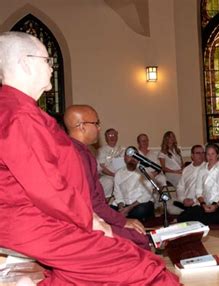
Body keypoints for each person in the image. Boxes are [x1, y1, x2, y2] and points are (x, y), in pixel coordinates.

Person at [0, 31, 178, 285]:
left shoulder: (26, 111)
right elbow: (46, 186)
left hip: (53, 217)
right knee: (141, 267)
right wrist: (92, 222)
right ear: (25, 63)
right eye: (46, 59)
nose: (52, 66)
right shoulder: (17, 115)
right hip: (33, 222)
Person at [64, 105, 150, 250]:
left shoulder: (80, 151)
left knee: (136, 231)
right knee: (139, 237)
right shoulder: (76, 155)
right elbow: (90, 202)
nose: (99, 128)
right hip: (84, 222)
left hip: (94, 215)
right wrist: (122, 221)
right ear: (82, 126)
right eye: (96, 123)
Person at [178, 144, 219, 225]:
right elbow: (198, 191)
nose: (210, 156)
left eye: (213, 154)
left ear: (218, 155)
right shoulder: (202, 171)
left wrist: (216, 206)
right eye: (208, 154)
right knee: (183, 217)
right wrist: (203, 204)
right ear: (206, 156)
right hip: (205, 205)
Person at [113, 150, 156, 222]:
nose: (132, 159)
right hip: (125, 204)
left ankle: (123, 217)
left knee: (141, 211)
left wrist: (129, 208)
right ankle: (124, 215)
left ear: (138, 159)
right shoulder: (119, 173)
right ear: (124, 158)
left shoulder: (144, 172)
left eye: (134, 156)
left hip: (140, 204)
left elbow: (147, 195)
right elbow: (117, 193)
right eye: (129, 156)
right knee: (109, 210)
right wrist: (121, 207)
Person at [167, 145, 205, 215]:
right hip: (186, 202)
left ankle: (186, 214)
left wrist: (194, 201)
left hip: (199, 202)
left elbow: (208, 190)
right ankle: (186, 212)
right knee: (168, 203)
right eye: (198, 153)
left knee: (191, 213)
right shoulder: (186, 169)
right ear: (192, 155)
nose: (201, 155)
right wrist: (183, 199)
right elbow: (180, 187)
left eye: (203, 153)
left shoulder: (207, 168)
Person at [97, 128, 124, 200]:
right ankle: (104, 203)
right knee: (109, 182)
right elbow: (101, 168)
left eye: (114, 135)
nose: (112, 137)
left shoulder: (121, 150)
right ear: (106, 137)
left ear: (117, 137)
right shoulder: (101, 150)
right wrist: (113, 175)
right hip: (107, 176)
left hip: (121, 175)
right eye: (110, 135)